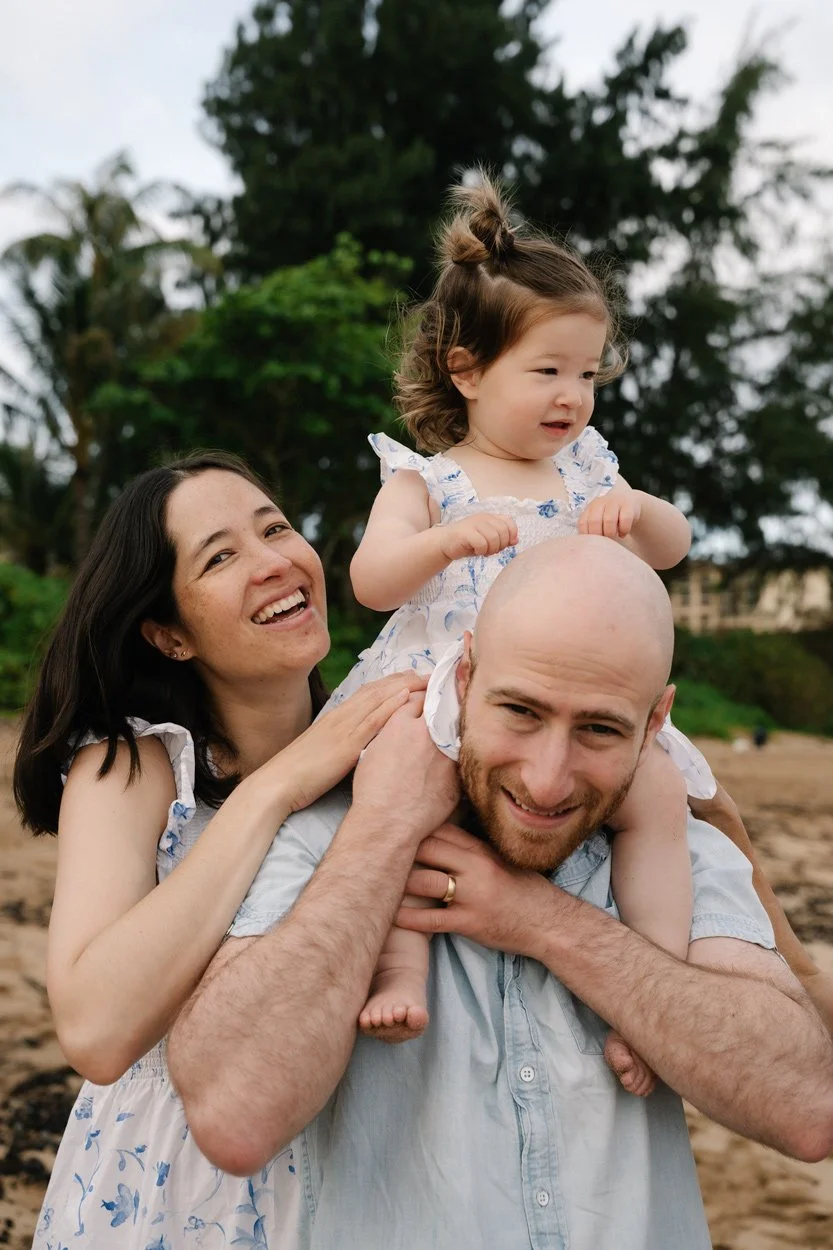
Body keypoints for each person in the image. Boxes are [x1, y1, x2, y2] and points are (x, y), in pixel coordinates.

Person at [168, 536, 833, 1250]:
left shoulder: (684, 852)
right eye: (520, 711)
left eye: (599, 729)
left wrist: (540, 921)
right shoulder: (332, 839)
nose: (547, 781)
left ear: (655, 722)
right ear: (464, 677)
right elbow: (234, 1118)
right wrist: (383, 834)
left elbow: (806, 1107)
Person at [328, 174, 707, 1095]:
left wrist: (638, 511)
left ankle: (654, 984)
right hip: (447, 692)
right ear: (466, 370)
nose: (571, 396)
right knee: (402, 792)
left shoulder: (590, 471)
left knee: (656, 796)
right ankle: (397, 966)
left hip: (566, 700)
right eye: (546, 371)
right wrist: (442, 542)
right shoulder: (424, 480)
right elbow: (370, 581)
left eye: (586, 374)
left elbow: (674, 548)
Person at [14, 451, 423, 1249]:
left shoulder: (384, 744)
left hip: (365, 1170)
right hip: (183, 1190)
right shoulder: (134, 767)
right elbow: (95, 1031)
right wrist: (280, 787)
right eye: (220, 557)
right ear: (169, 634)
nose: (273, 562)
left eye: (275, 529)